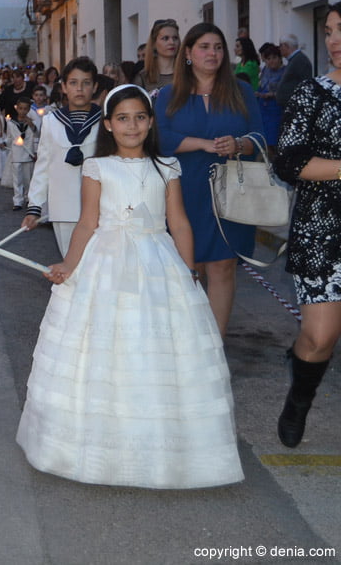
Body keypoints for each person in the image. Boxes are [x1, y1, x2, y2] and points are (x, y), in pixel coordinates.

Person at [16, 84, 243, 489]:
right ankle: (97, 446)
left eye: (140, 117)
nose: (132, 125)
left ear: (151, 121)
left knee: (156, 348)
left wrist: (189, 271)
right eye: (122, 118)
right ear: (108, 124)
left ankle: (163, 448)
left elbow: (179, 222)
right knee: (104, 346)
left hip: (158, 260)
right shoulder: (96, 167)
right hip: (105, 259)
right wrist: (69, 264)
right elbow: (87, 223)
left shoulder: (167, 167)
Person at [154, 22, 263, 338]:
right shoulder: (169, 94)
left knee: (222, 266)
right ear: (188, 53)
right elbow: (160, 138)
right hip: (183, 191)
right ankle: (188, 345)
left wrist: (239, 145)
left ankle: (215, 346)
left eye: (218, 47)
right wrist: (203, 144)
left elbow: (259, 135)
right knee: (189, 268)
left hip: (230, 191)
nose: (212, 53)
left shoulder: (241, 90)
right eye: (204, 46)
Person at [271, 1, 341, 449]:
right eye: (331, 31)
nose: (334, 40)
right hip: (323, 231)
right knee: (319, 337)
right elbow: (288, 162)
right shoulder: (310, 93)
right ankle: (299, 397)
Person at [22, 57, 103, 256]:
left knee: (98, 266)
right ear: (64, 87)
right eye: (73, 83)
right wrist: (35, 207)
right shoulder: (51, 121)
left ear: (95, 87)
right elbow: (43, 166)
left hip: (100, 207)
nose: (80, 89)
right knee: (70, 263)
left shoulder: (105, 121)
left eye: (86, 83)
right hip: (63, 207)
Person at [6, 96, 39, 211]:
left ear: (29, 109)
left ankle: (28, 197)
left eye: (25, 109)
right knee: (17, 179)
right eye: (20, 108)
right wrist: (3, 143)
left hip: (28, 154)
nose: (22, 111)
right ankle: (17, 200)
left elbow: (37, 135)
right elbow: (9, 138)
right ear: (17, 108)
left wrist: (31, 125)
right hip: (16, 154)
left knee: (28, 179)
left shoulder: (32, 122)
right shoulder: (11, 123)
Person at [134, 18, 180, 94]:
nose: (171, 42)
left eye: (175, 38)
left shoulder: (188, 73)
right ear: (154, 43)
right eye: (165, 38)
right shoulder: (143, 78)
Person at [256, 43, 285, 149]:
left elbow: (287, 92)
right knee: (263, 140)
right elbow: (261, 85)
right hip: (263, 108)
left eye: (274, 58)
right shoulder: (264, 70)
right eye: (268, 58)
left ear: (280, 58)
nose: (271, 61)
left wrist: (272, 94)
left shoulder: (285, 72)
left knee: (274, 139)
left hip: (275, 109)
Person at [276, 33, 314, 109]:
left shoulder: (300, 60)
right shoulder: (294, 60)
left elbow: (305, 83)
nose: (279, 48)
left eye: (281, 45)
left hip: (295, 107)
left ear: (286, 46)